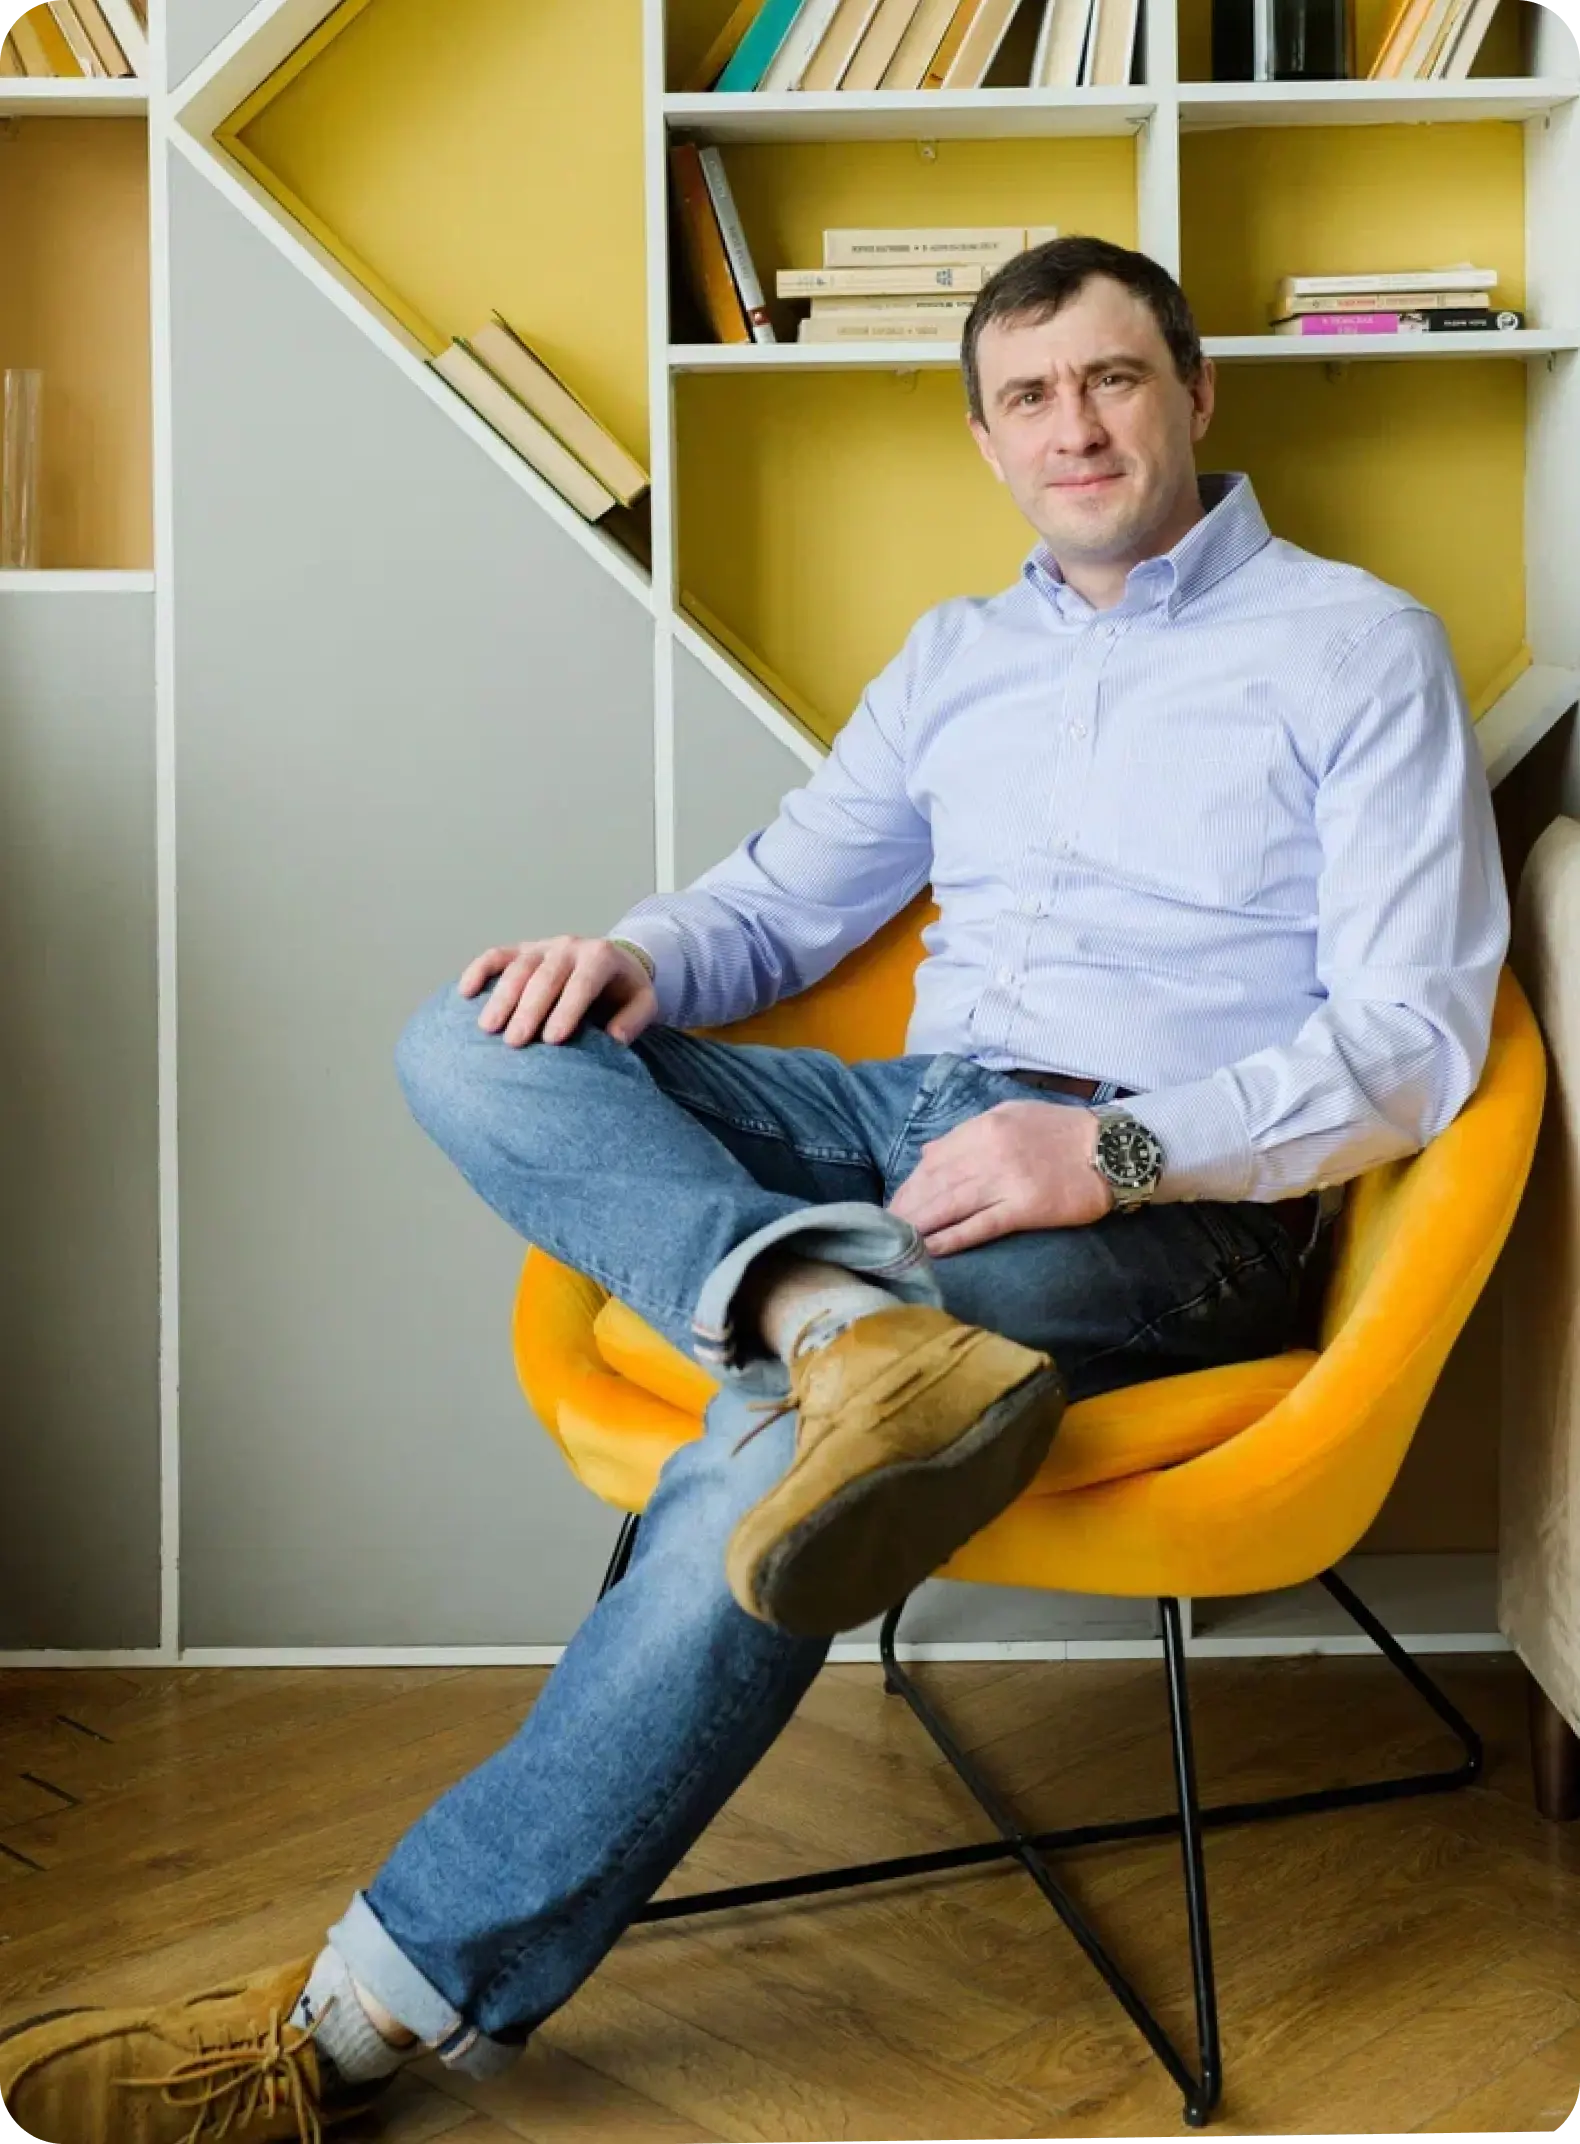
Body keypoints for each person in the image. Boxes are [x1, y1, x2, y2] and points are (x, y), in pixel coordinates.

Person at [0, 236, 1507, 2140]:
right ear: (987, 441)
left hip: (1169, 1203)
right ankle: (832, 1323)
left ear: (1194, 395)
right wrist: (630, 956)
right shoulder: (959, 656)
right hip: (904, 1123)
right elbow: (786, 900)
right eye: (1029, 397)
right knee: (476, 1037)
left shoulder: (1355, 645)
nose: (1074, 426)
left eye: (1113, 379)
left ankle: (353, 2022)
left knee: (775, 1449)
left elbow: (1416, 1035)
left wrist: (1108, 1151)